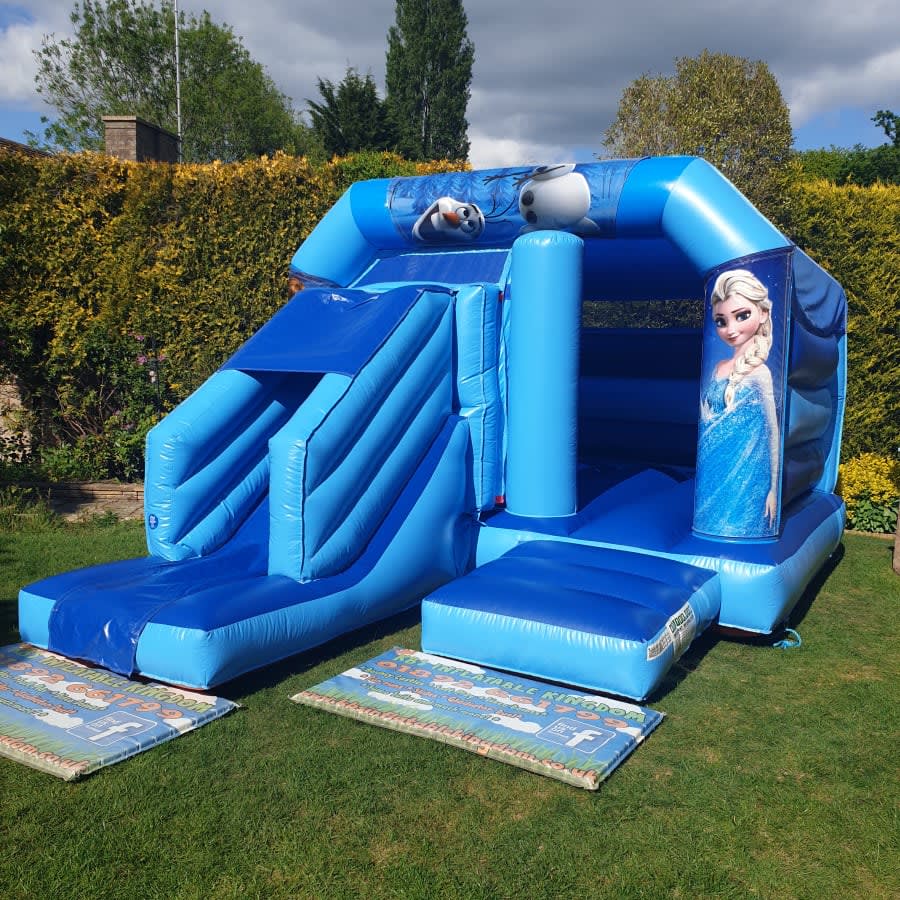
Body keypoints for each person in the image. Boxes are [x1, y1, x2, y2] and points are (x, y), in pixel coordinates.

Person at [694, 268, 780, 537]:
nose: (731, 329)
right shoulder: (718, 368)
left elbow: (772, 431)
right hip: (713, 468)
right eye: (721, 321)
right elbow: (706, 417)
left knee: (740, 525)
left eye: (741, 316)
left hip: (747, 474)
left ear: (762, 313)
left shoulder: (760, 373)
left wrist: (774, 488)